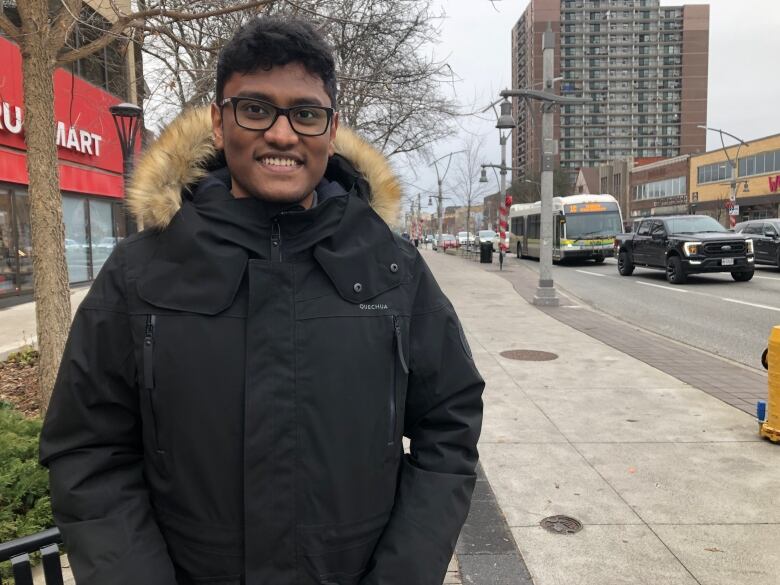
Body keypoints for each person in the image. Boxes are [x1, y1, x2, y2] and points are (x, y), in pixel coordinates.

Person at [39, 16, 484, 585]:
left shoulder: (392, 267)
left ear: (330, 128)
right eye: (255, 108)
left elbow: (449, 424)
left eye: (305, 113)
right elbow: (88, 450)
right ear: (220, 123)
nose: (281, 133)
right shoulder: (141, 271)